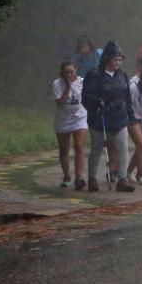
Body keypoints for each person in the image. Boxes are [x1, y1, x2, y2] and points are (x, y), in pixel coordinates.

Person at [81, 41, 136, 192]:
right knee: (97, 148)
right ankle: (92, 178)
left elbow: (127, 98)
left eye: (120, 60)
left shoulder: (122, 75)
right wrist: (96, 104)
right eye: (115, 60)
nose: (117, 63)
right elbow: (85, 97)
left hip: (119, 118)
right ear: (107, 59)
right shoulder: (94, 75)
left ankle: (122, 179)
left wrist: (130, 116)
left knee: (123, 147)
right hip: (100, 119)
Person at [53, 59, 88, 189]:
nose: (69, 75)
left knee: (79, 146)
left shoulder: (82, 82)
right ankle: (67, 175)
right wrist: (68, 86)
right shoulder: (57, 83)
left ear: (76, 70)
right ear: (62, 72)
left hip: (79, 116)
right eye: (66, 72)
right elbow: (60, 102)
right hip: (63, 119)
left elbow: (87, 97)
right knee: (64, 149)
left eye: (71, 72)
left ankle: (79, 177)